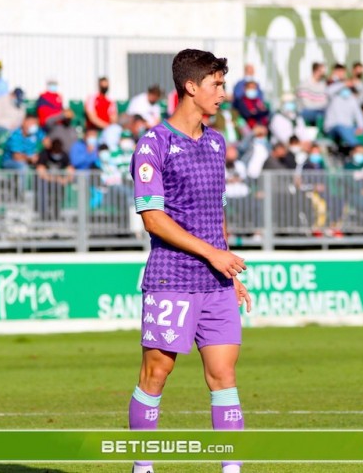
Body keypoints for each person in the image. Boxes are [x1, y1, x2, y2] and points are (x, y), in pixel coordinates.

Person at [128, 49, 250, 473]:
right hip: (171, 280)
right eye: (216, 83)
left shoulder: (217, 142)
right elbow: (153, 219)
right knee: (155, 376)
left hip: (215, 284)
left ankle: (230, 469)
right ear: (191, 87)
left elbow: (215, 212)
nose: (222, 91)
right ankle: (143, 467)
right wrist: (212, 253)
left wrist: (227, 267)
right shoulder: (153, 144)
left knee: (224, 376)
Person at [324, 68, 363, 149]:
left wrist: (361, 127)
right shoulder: (334, 96)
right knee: (342, 129)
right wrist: (344, 83)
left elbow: (358, 114)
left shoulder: (352, 98)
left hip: (348, 128)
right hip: (333, 128)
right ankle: (358, 148)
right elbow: (328, 91)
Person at [35, 138, 75, 220]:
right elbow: (40, 171)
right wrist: (56, 179)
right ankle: (43, 215)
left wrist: (66, 179)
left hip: (57, 182)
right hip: (46, 181)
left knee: (59, 194)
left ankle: (57, 214)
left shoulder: (64, 155)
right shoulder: (45, 154)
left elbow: (70, 171)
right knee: (43, 189)